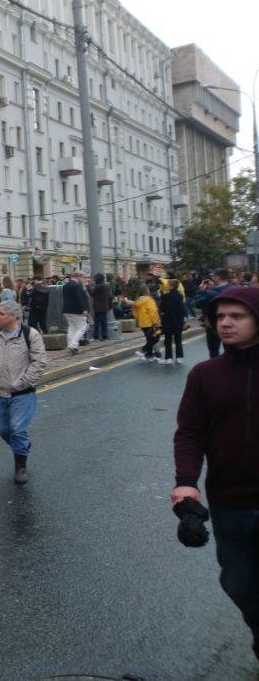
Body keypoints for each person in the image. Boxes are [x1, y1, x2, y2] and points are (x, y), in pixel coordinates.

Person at [171, 286, 259, 657]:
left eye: (237, 316)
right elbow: (189, 432)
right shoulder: (205, 375)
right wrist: (186, 483)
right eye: (220, 316)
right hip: (231, 503)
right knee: (239, 584)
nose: (225, 323)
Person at [0, 300, 47, 485]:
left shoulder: (30, 334)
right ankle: (22, 447)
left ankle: (20, 467)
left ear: (14, 316)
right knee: (3, 430)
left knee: (17, 429)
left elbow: (39, 362)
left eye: (1, 314)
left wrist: (24, 382)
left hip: (22, 394)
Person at [194, 268, 237, 359]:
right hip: (233, 322)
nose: (212, 278)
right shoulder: (235, 288)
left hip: (213, 322)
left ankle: (216, 370)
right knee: (231, 349)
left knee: (214, 351)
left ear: (217, 278)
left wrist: (201, 290)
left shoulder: (212, 293)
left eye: (213, 276)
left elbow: (198, 303)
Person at [158, 279, 187, 365]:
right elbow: (182, 308)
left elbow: (162, 308)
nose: (166, 285)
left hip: (168, 320)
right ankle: (179, 358)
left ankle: (168, 358)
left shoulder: (165, 297)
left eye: (167, 284)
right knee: (178, 339)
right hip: (178, 320)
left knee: (168, 340)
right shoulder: (180, 296)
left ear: (171, 286)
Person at [59, 273, 89, 354]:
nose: (83, 279)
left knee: (71, 327)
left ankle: (70, 344)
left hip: (66, 310)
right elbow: (79, 298)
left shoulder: (65, 285)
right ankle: (73, 345)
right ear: (77, 276)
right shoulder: (76, 285)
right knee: (82, 327)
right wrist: (84, 309)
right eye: (83, 277)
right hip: (76, 310)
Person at [132, 285, 162, 362]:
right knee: (155, 338)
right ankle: (142, 351)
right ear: (147, 291)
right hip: (150, 322)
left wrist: (139, 319)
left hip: (142, 322)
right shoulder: (149, 300)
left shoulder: (137, 301)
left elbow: (134, 313)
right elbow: (153, 311)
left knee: (149, 339)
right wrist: (155, 322)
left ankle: (149, 355)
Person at [89, 273, 112, 341]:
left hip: (98, 307)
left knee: (97, 322)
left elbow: (92, 294)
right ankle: (105, 336)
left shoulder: (98, 287)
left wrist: (88, 287)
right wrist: (109, 305)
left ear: (97, 279)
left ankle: (96, 336)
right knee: (104, 321)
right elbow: (110, 297)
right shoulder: (107, 286)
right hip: (105, 306)